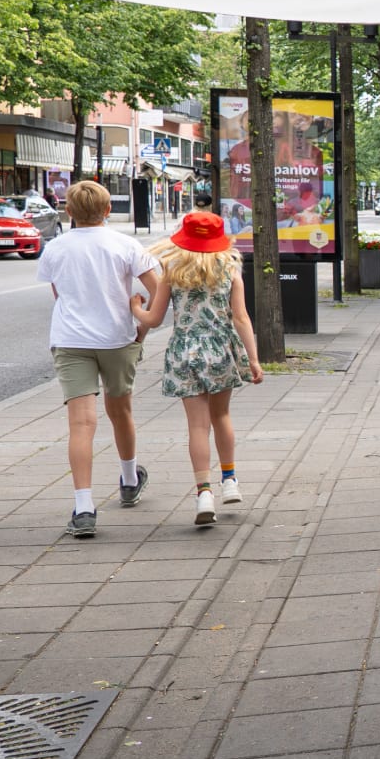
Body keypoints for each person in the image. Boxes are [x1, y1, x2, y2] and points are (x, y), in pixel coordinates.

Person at [37, 180, 160, 538]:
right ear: (108, 211)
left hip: (70, 340)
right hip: (117, 338)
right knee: (121, 411)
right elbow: (158, 288)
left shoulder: (56, 248)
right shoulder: (125, 245)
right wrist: (143, 325)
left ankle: (85, 506)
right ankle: (128, 479)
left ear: (69, 212)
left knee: (81, 424)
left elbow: (58, 293)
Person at [130, 212, 264, 527]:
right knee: (222, 416)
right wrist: (253, 359)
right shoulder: (229, 268)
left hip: (185, 353)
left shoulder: (172, 270)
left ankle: (203, 492)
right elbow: (241, 317)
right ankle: (229, 479)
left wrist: (136, 308)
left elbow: (154, 319)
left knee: (197, 427)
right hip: (220, 350)